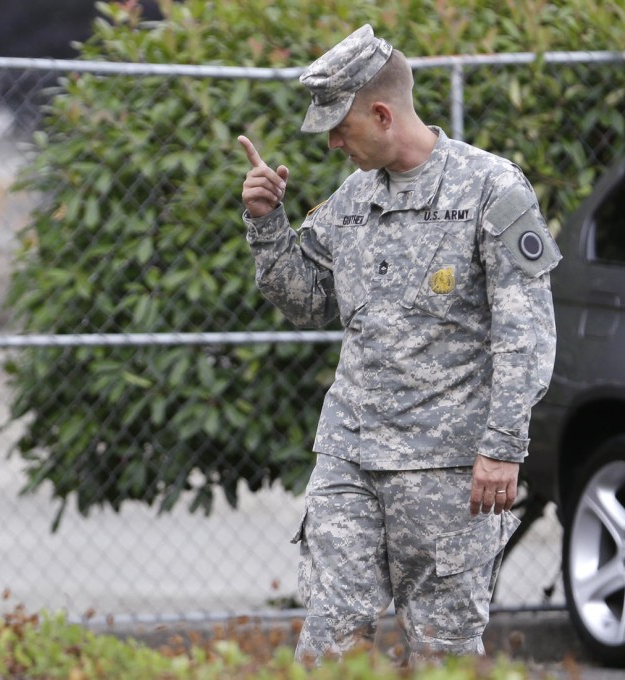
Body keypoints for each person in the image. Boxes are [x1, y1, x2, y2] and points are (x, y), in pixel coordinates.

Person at [238, 25, 559, 664]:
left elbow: (526, 332)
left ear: (382, 113)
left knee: (441, 657)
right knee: (329, 649)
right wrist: (265, 223)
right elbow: (307, 300)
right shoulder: (351, 200)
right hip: (350, 459)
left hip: (449, 473)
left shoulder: (491, 189)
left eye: (340, 126)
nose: (331, 142)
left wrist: (502, 448)